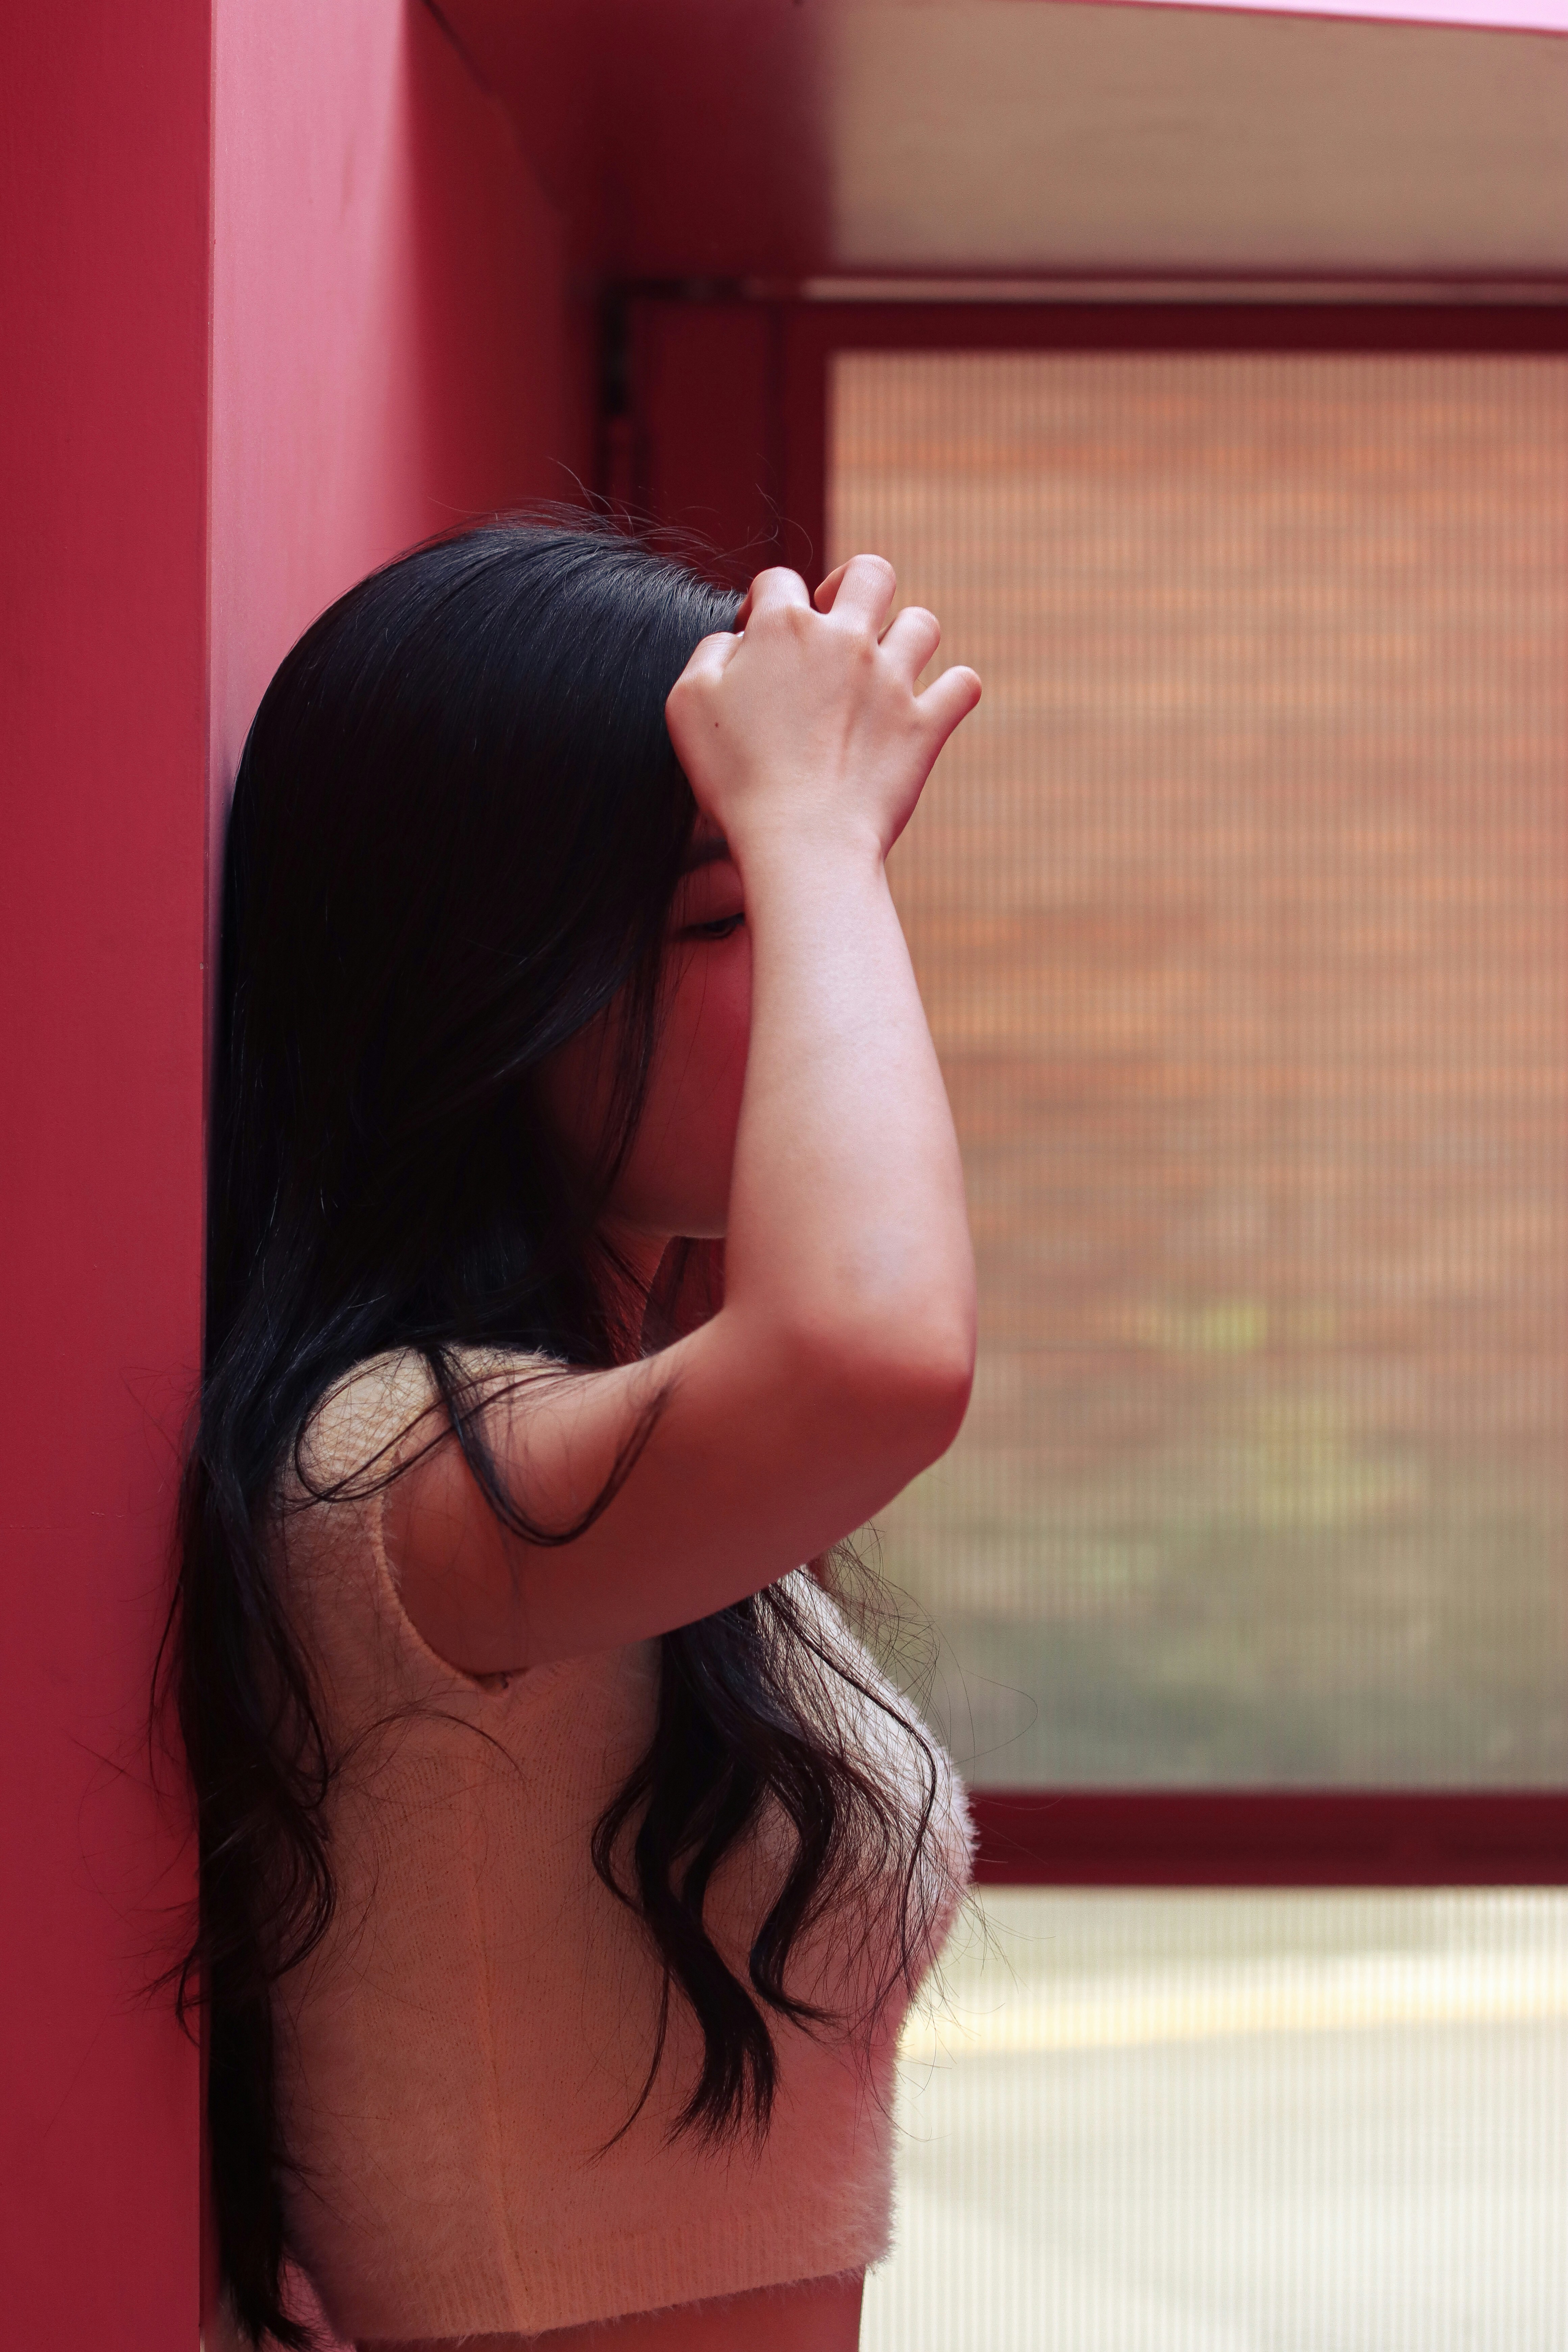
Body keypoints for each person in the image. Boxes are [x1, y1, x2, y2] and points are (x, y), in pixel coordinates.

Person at [167, 518, 982, 2351]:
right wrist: (819, 831)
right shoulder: (388, 1472)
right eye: (725, 914)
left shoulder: (573, 1453)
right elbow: (875, 1355)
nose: (814, 966)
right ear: (484, 981)